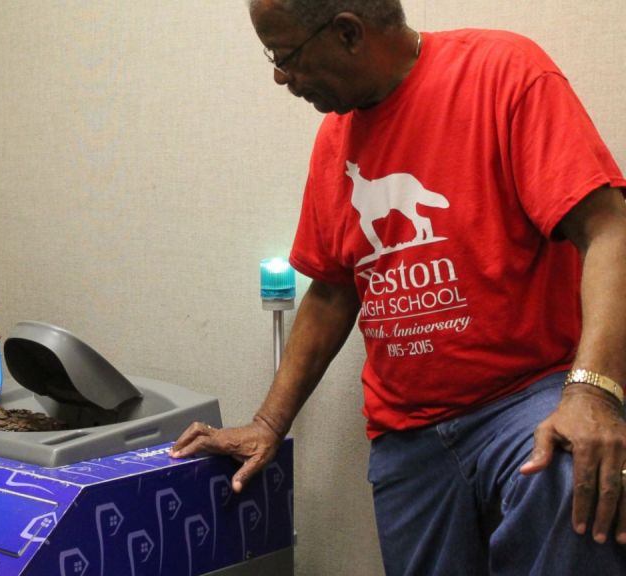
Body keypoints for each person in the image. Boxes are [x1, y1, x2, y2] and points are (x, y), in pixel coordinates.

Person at [171, 0, 626, 573]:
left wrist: (593, 396)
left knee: (569, 470)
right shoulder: (336, 140)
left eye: (286, 56)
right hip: (410, 436)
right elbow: (334, 290)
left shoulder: (503, 73)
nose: (281, 77)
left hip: (525, 399)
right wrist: (267, 424)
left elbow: (610, 229)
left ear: (348, 34)